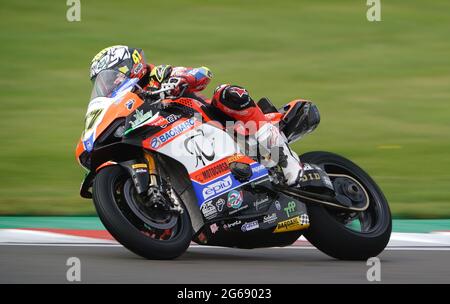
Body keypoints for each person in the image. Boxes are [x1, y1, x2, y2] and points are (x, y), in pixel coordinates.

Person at [89, 45, 304, 185]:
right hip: (176, 142)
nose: (109, 83)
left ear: (128, 66)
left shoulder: (158, 74)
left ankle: (283, 156)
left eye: (112, 76)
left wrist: (178, 80)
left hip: (216, 124)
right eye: (103, 81)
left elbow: (202, 73)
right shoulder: (126, 102)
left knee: (226, 92)